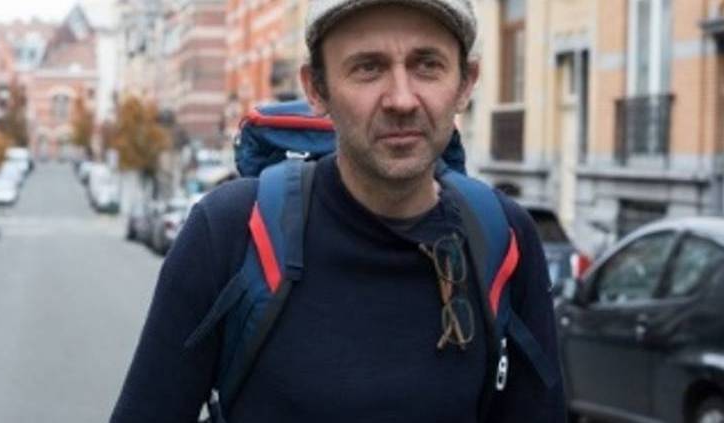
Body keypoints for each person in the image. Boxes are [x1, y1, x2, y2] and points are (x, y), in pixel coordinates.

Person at [110, 0, 567, 421]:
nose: (402, 99)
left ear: (466, 83)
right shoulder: (228, 232)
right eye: (368, 68)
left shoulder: (504, 237)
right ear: (317, 89)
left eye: (427, 65)